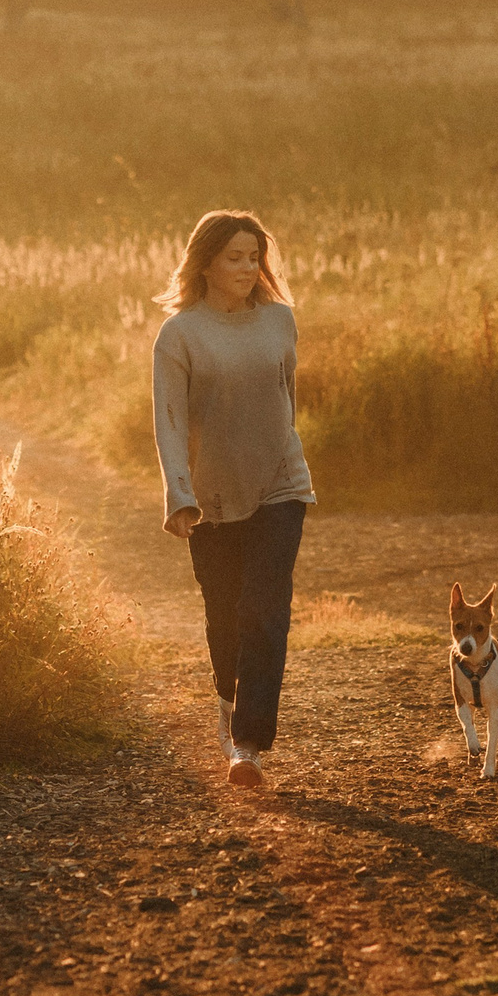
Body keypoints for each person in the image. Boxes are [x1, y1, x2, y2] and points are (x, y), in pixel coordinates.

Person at [151, 209, 315, 790]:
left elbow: (286, 398)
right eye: (235, 258)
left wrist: (279, 451)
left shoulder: (279, 321)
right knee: (225, 618)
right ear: (207, 263)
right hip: (212, 493)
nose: (248, 268)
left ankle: (248, 746)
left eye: (255, 257)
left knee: (263, 611)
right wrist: (180, 493)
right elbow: (169, 422)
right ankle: (229, 697)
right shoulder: (180, 335)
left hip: (282, 481)